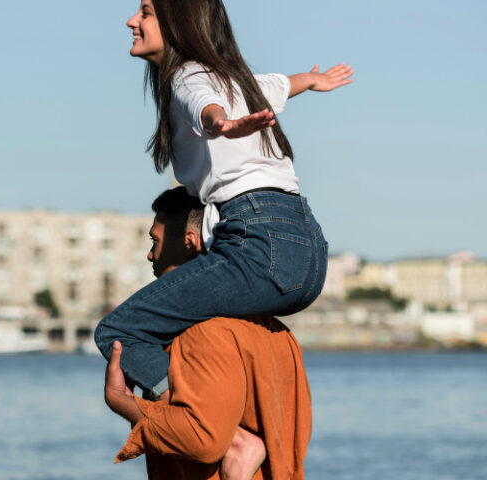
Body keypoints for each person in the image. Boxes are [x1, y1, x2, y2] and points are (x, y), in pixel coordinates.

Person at [94, 0, 352, 399]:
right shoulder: (236, 80)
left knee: (119, 331)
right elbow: (280, 84)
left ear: (177, 22)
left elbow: (204, 106)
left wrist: (221, 124)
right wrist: (312, 80)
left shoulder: (187, 75)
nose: (132, 20)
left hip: (257, 244)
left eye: (145, 12)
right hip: (309, 253)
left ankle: (214, 426)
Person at [104, 187, 312, 480]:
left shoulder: (201, 333)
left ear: (190, 242)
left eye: (155, 241)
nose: (151, 254)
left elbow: (202, 440)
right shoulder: (275, 331)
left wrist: (123, 403)